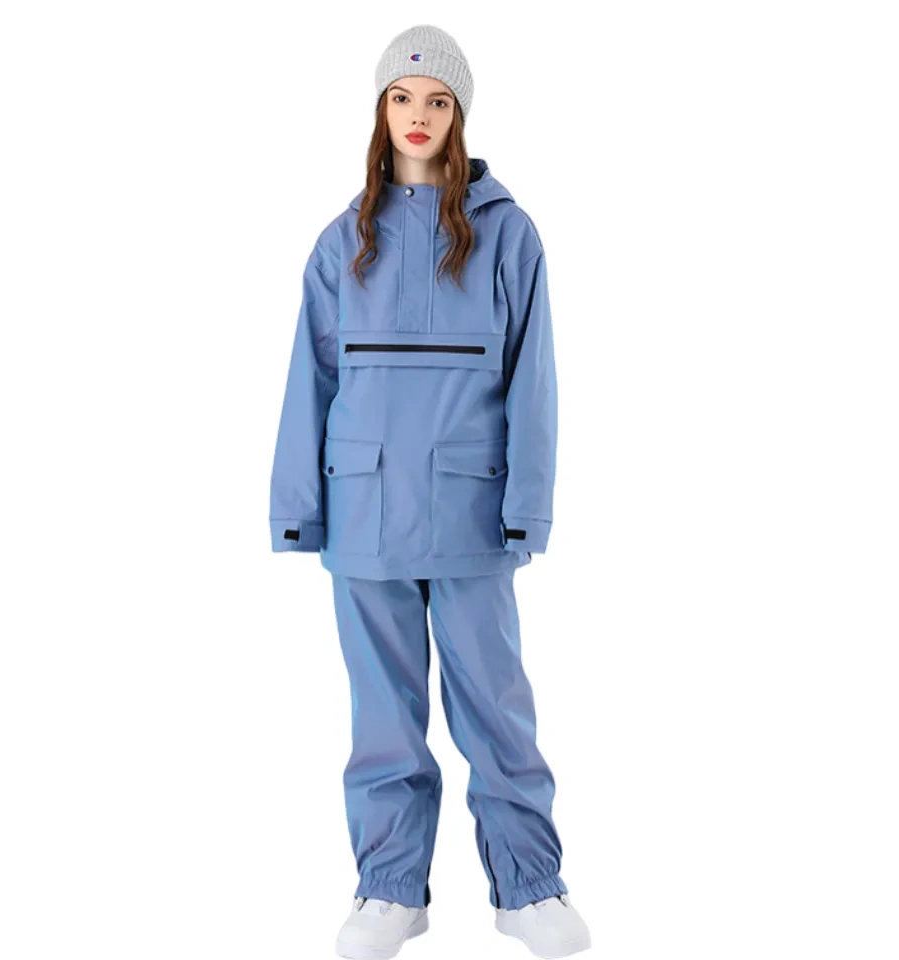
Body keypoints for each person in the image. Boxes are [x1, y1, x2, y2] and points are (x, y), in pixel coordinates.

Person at [269, 23, 592, 960]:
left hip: (469, 511)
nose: (418, 116)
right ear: (381, 112)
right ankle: (389, 890)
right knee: (383, 719)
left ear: (460, 115)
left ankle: (528, 887)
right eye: (402, 99)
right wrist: (299, 509)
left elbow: (534, 380)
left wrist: (528, 504)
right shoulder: (342, 241)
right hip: (363, 511)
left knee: (495, 708)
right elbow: (310, 381)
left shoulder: (508, 235)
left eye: (438, 101)